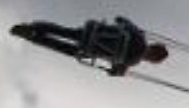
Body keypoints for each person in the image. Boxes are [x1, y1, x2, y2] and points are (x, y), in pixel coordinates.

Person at [9, 17, 169, 76]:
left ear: (154, 45)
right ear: (150, 60)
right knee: (65, 49)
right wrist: (118, 72)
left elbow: (120, 19)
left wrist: (134, 28)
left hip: (91, 33)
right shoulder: (132, 62)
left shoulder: (139, 36)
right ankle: (35, 38)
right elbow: (114, 70)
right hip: (89, 50)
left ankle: (34, 27)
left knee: (64, 31)